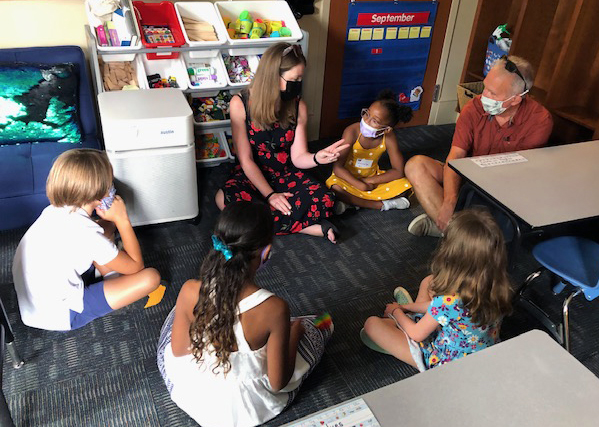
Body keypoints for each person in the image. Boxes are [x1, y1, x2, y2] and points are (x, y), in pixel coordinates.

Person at [157, 201, 333, 427]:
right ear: (266, 251)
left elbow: (179, 350)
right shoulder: (274, 307)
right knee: (313, 326)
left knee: (179, 310)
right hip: (244, 408)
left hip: (194, 394)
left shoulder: (191, 289)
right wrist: (296, 333)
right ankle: (316, 326)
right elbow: (278, 382)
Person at [12, 148, 162, 331]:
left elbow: (98, 234)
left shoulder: (54, 211)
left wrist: (110, 221)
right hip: (60, 314)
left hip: (33, 304)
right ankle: (115, 291)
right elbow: (136, 266)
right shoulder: (87, 234)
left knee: (105, 231)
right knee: (150, 278)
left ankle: (113, 280)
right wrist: (122, 219)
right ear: (99, 194)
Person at [405, 56, 553, 237]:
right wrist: (450, 201)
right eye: (485, 87)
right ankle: (457, 231)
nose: (484, 96)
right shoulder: (473, 108)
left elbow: (519, 175)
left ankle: (450, 228)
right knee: (415, 165)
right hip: (470, 176)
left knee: (495, 214)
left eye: (493, 93)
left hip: (506, 187)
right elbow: (456, 156)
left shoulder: (539, 120)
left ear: (515, 100)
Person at [216, 43, 348, 243]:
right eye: (294, 79)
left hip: (285, 173)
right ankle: (311, 228)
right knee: (224, 200)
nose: (298, 84)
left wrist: (317, 158)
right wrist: (270, 196)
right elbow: (246, 160)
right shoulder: (240, 104)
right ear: (272, 77)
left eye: (300, 79)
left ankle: (266, 226)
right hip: (252, 174)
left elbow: (298, 157)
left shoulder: (297, 105)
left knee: (325, 199)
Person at [361, 209, 512, 371]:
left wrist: (396, 312)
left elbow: (417, 334)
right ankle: (412, 318)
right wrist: (406, 307)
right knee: (429, 281)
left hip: (446, 364)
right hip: (483, 352)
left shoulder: (450, 301)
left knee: (371, 325)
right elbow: (443, 306)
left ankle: (402, 332)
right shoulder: (499, 286)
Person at [326, 90, 413, 213]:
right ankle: (382, 205)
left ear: (387, 129)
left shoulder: (388, 137)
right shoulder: (352, 131)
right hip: (347, 177)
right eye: (367, 114)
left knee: (406, 185)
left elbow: (398, 171)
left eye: (375, 121)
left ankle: (352, 203)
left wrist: (368, 181)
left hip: (372, 178)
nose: (366, 121)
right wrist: (359, 184)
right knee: (335, 187)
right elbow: (338, 167)